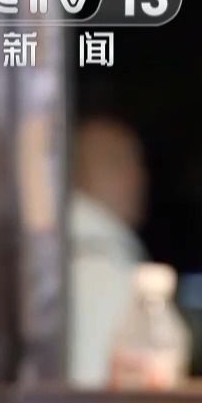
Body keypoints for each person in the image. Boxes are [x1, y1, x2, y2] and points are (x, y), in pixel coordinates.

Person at [67, 116, 151, 387]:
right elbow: (90, 400)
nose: (139, 178)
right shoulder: (102, 275)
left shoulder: (59, 259)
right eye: (123, 163)